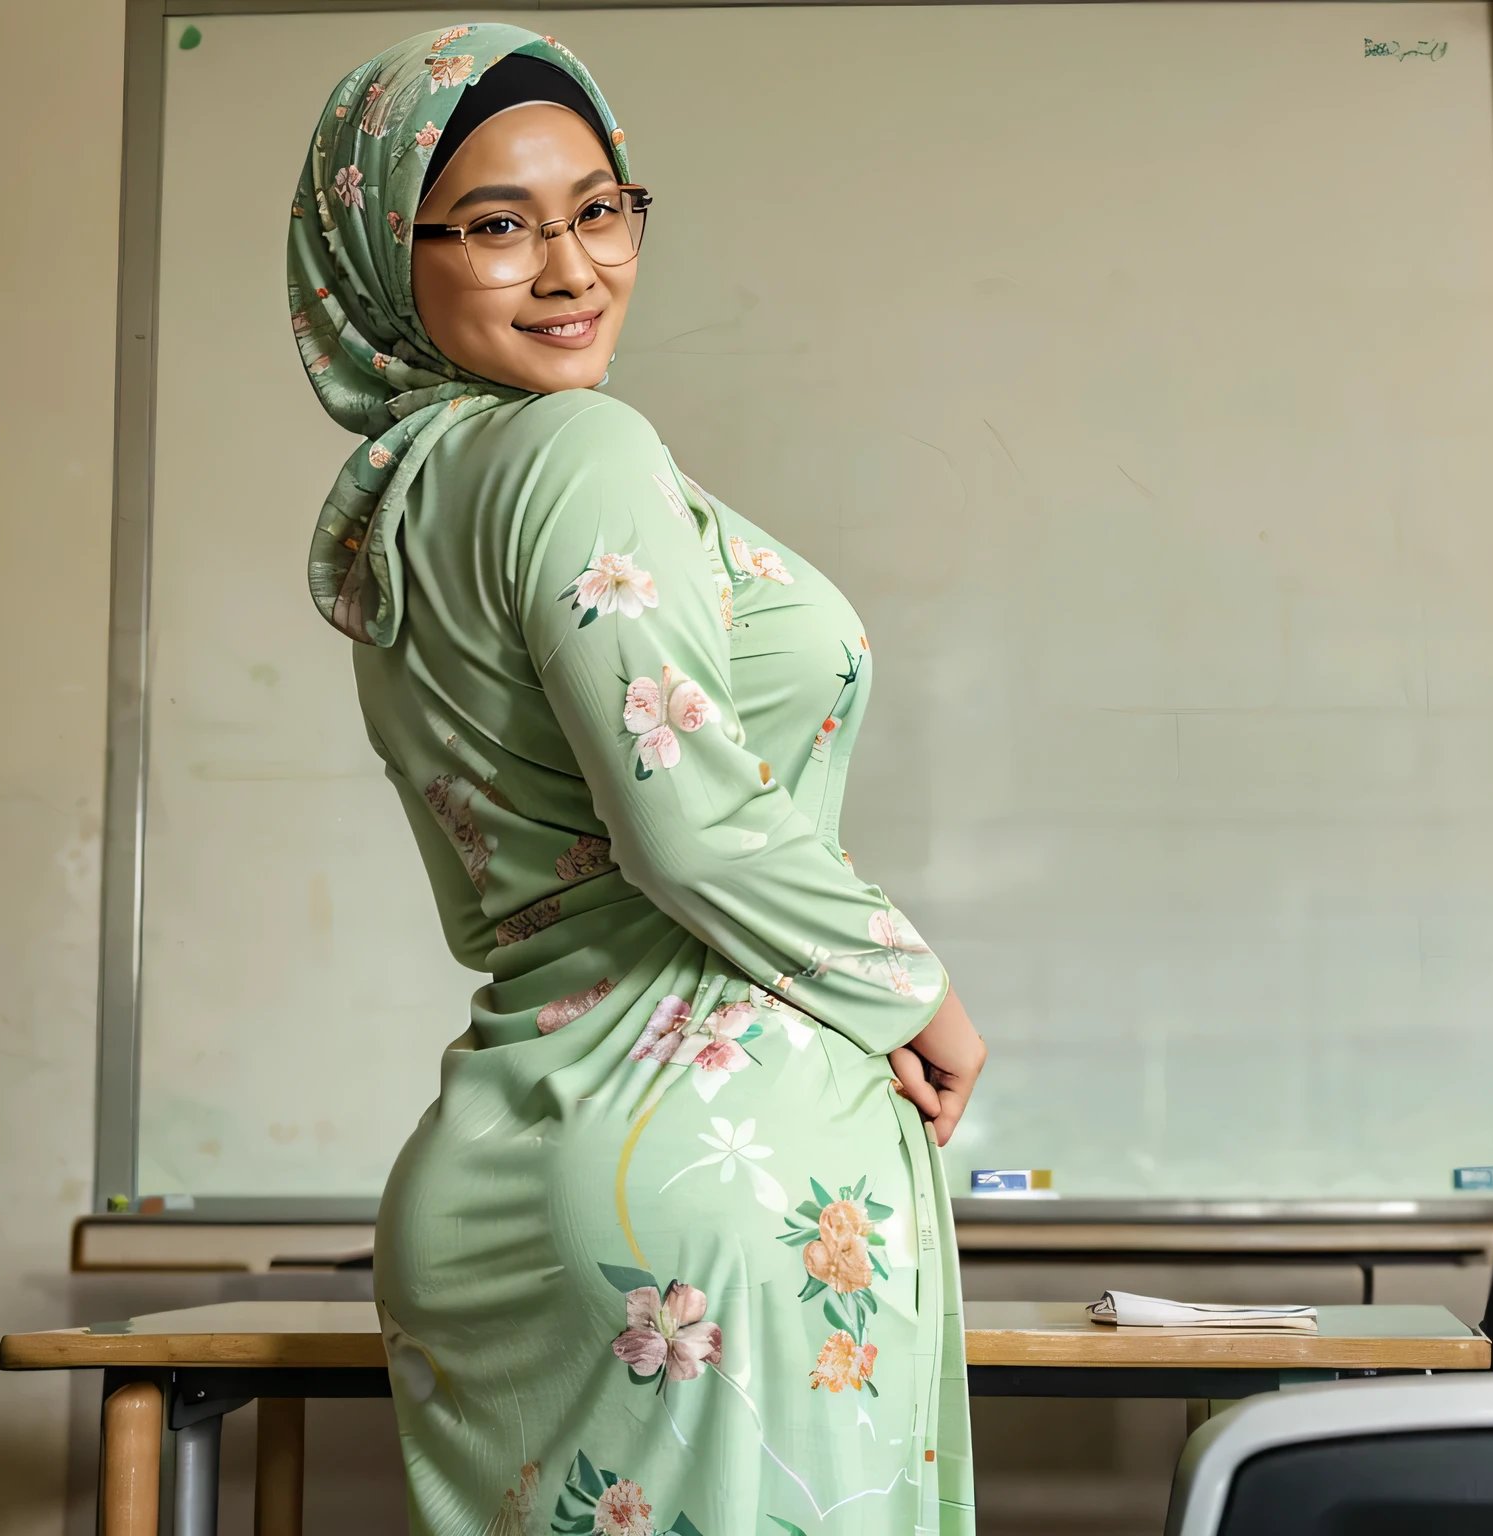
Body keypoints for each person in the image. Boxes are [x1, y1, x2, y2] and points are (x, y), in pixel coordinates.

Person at [288, 24, 984, 1534]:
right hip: (702, 1189)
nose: (570, 269)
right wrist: (910, 986)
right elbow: (688, 819)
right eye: (493, 225)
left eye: (599, 210)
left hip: (512, 1174)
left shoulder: (394, 513)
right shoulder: (576, 451)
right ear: (376, 255)